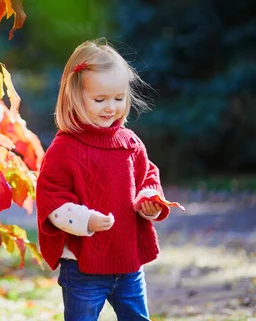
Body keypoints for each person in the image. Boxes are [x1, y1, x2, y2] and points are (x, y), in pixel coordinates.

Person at [36, 40, 171, 320]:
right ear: (75, 96)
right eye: (100, 100)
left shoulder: (130, 143)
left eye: (119, 98)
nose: (111, 107)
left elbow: (148, 176)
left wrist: (149, 200)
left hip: (128, 263)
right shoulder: (64, 149)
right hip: (83, 267)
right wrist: (85, 221)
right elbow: (52, 200)